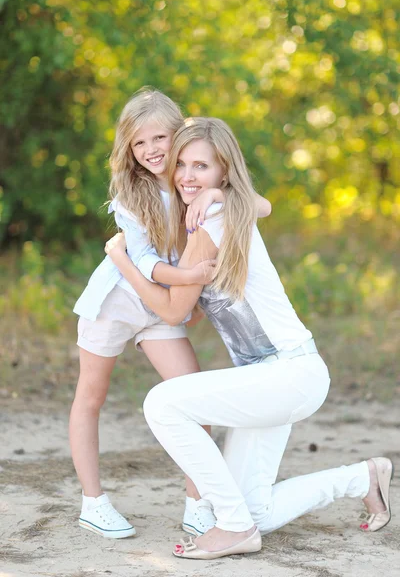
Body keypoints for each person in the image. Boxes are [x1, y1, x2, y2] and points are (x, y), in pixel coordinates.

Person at [105, 116, 393, 559]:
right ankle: (361, 479)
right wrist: (217, 192)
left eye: (201, 167)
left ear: (223, 171)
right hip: (273, 378)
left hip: (288, 371)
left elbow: (174, 311)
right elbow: (257, 205)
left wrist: (121, 259)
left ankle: (234, 528)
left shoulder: (215, 216)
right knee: (255, 510)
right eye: (181, 165)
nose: (186, 176)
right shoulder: (218, 209)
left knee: (161, 404)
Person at [71, 90, 272, 539]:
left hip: (161, 309)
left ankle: (198, 503)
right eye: (138, 144)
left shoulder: (194, 183)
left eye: (160, 137)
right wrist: (189, 277)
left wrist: (218, 191)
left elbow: (261, 206)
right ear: (128, 149)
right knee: (91, 396)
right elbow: (139, 260)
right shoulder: (130, 193)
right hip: (117, 301)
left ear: (178, 134)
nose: (151, 151)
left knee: (191, 398)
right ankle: (93, 502)